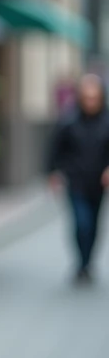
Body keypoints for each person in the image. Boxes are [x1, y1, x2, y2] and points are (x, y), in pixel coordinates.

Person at [47, 73, 109, 283]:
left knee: (93, 225)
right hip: (76, 181)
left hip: (99, 183)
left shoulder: (106, 121)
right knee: (81, 223)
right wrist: (53, 173)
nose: (91, 101)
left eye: (95, 97)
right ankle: (81, 263)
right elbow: (54, 150)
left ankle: (87, 262)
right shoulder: (68, 121)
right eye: (87, 97)